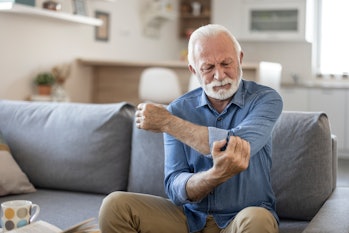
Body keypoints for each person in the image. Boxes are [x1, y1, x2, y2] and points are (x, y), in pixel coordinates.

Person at [99, 24, 283, 233]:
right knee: (115, 205)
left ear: (240, 58)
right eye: (208, 68)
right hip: (189, 219)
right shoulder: (178, 109)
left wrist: (168, 122)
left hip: (242, 218)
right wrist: (213, 176)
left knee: (257, 219)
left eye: (226, 63)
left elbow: (235, 147)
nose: (220, 75)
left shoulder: (266, 99)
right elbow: (175, 186)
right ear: (193, 70)